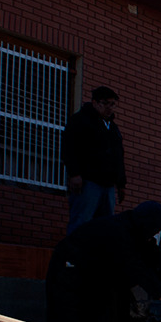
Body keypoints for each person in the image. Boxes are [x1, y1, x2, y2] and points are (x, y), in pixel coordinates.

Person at [62, 85, 126, 233]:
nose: (109, 108)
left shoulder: (113, 128)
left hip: (108, 184)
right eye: (105, 103)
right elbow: (69, 147)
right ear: (95, 103)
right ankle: (74, 254)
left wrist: (121, 183)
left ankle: (96, 255)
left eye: (112, 104)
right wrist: (75, 173)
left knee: (104, 226)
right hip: (88, 182)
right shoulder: (80, 121)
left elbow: (118, 156)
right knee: (81, 222)